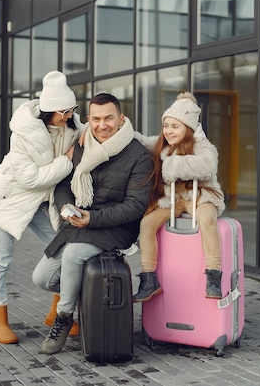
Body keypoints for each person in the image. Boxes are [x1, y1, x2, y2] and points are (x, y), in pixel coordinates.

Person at [32, 92, 153, 355]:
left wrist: (92, 219)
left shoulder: (138, 155)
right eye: (96, 119)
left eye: (109, 118)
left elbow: (135, 206)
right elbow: (63, 184)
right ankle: (87, 295)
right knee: (41, 278)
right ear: (89, 119)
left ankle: (63, 318)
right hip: (78, 224)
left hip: (117, 227)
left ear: (121, 119)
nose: (102, 125)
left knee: (74, 255)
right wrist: (66, 207)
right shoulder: (82, 145)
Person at [0, 71, 81, 344]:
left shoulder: (72, 125)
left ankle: (56, 313)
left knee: (63, 249)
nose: (70, 114)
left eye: (73, 109)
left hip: (41, 201)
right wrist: (67, 160)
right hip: (10, 199)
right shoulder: (23, 133)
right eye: (66, 110)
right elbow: (29, 178)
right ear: (51, 110)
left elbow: (99, 133)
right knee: (0, 259)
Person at [132, 92, 225, 303]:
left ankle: (213, 275)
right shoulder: (163, 143)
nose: (169, 131)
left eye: (175, 126)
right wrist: (124, 130)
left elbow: (208, 166)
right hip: (173, 198)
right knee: (147, 224)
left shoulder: (202, 145)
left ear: (188, 128)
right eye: (166, 126)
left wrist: (175, 165)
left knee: (207, 220)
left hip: (199, 195)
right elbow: (144, 141)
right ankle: (149, 278)